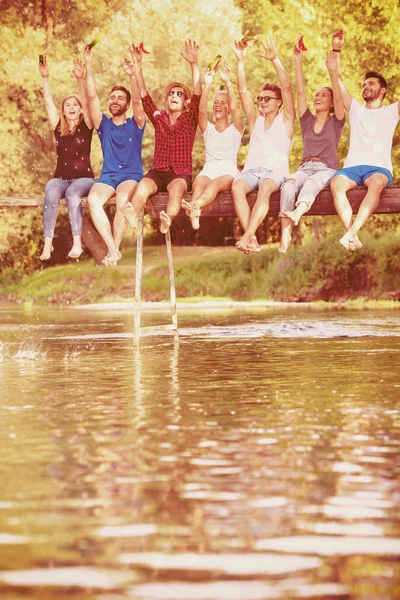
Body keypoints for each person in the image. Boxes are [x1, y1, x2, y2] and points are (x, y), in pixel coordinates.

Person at [121, 39, 201, 234]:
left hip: (180, 172)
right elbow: (144, 95)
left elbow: (198, 93)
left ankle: (167, 219)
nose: (173, 96)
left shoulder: (190, 118)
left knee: (176, 191)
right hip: (158, 170)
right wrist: (138, 66)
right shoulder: (159, 117)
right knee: (143, 186)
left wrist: (194, 64)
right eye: (171, 94)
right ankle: (132, 212)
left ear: (186, 102)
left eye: (179, 94)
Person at [329, 31, 400, 250]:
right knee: (335, 184)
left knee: (377, 184)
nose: (366, 86)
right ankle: (353, 236)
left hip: (378, 169)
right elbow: (336, 81)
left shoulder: (392, 111)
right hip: (352, 168)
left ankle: (350, 233)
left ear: (383, 90)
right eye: (364, 84)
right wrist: (336, 50)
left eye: (371, 83)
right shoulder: (356, 110)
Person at [231, 36, 296, 254]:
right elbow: (242, 92)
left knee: (266, 189)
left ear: (279, 102)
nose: (263, 101)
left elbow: (287, 87)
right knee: (237, 186)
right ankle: (254, 239)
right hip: (251, 171)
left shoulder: (285, 120)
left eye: (268, 98)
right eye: (261, 98)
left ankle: (247, 236)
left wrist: (275, 60)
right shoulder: (255, 120)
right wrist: (240, 61)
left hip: (274, 173)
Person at [279, 41, 345, 252]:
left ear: (332, 103)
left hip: (327, 170)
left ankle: (297, 213)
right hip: (304, 167)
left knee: (313, 183)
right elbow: (300, 92)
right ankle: (285, 232)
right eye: (316, 95)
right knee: (288, 185)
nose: (317, 97)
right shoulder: (306, 120)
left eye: (323, 95)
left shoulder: (337, 121)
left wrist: (333, 67)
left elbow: (339, 94)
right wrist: (297, 61)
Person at [84, 44, 146, 265]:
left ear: (127, 105)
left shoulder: (136, 124)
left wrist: (133, 74)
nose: (115, 101)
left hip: (131, 176)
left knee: (122, 198)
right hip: (108, 177)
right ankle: (112, 249)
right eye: (112, 98)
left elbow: (139, 101)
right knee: (93, 199)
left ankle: (114, 248)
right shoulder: (103, 125)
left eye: (120, 98)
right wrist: (89, 64)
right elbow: (91, 97)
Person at [39, 55, 95, 261]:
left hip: (84, 179)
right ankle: (48, 244)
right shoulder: (58, 126)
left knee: (72, 194)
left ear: (80, 109)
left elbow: (88, 101)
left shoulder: (86, 125)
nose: (71, 107)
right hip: (61, 178)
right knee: (51, 191)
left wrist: (81, 79)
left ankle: (77, 243)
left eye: (75, 104)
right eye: (67, 105)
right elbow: (48, 101)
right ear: (63, 110)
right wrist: (45, 77)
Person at [181, 62, 244, 230]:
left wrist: (228, 83)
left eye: (223, 103)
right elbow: (201, 112)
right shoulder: (208, 129)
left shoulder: (236, 128)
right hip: (209, 168)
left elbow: (236, 106)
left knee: (214, 184)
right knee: (198, 183)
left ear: (229, 108)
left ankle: (195, 206)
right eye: (216, 102)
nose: (218, 105)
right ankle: (195, 214)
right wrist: (207, 83)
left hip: (227, 171)